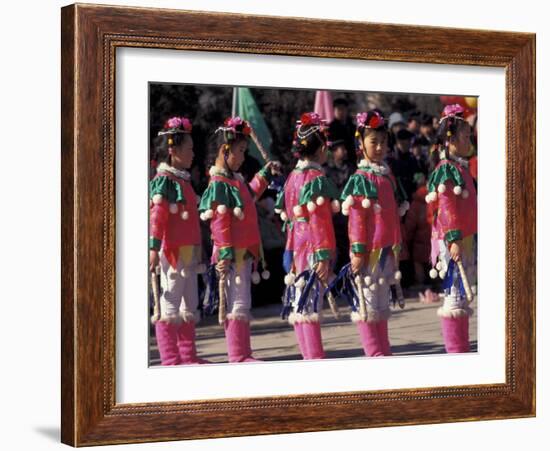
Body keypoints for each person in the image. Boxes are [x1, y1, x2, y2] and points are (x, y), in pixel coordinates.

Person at [199, 116, 279, 363]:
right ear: (225, 151)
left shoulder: (234, 181)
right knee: (237, 302)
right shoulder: (220, 183)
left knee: (242, 301)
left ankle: (243, 353)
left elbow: (250, 194)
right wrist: (223, 253)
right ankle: (238, 355)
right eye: (241, 151)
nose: (244, 157)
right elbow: (220, 222)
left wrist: (265, 174)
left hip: (243, 252)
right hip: (231, 255)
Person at [340, 110, 409, 357]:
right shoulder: (361, 179)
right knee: (368, 305)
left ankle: (384, 351)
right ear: (361, 144)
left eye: (383, 142)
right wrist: (358, 251)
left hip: (386, 249)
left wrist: (396, 247)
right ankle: (374, 353)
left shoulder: (387, 175)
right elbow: (357, 220)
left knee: (381, 303)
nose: (379, 147)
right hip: (368, 252)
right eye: (373, 142)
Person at [275, 112, 340, 360]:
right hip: (313, 247)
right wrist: (324, 255)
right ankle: (315, 357)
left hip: (295, 247)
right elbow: (320, 220)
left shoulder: (292, 177)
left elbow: (287, 214)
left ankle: (308, 356)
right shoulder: (315, 179)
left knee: (300, 303)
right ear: (322, 148)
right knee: (310, 303)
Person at [148, 116, 210, 365]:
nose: (193, 153)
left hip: (187, 251)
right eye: (190, 148)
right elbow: (157, 216)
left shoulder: (182, 180)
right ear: (173, 150)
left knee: (189, 301)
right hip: (171, 250)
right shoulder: (164, 181)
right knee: (171, 301)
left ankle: (188, 356)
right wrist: (153, 248)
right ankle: (170, 358)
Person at [425, 104, 478, 353]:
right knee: (454, 297)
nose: (470, 139)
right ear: (451, 139)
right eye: (466, 136)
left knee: (461, 299)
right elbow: (446, 208)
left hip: (463, 239)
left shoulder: (459, 167)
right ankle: (456, 351)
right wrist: (454, 238)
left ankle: (461, 349)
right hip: (452, 241)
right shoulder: (447, 169)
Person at [328, 98, 357, 165]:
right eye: (339, 109)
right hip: (336, 161)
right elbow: (330, 144)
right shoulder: (330, 127)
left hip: (352, 159)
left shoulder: (352, 126)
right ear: (334, 110)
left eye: (343, 109)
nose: (341, 112)